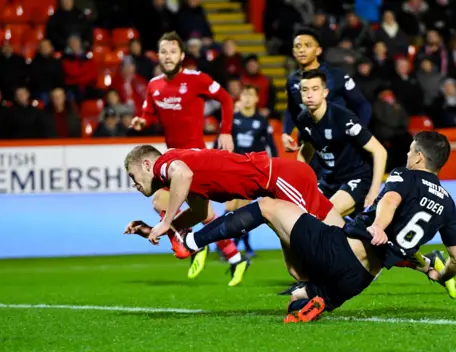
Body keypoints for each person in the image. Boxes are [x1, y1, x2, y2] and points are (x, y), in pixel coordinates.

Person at [137, 132, 456, 322]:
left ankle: (194, 242)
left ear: (419, 157)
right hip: (359, 280)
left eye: (410, 151)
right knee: (297, 285)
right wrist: (440, 274)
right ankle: (318, 297)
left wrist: (378, 224)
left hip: (316, 222)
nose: (406, 154)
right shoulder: (448, 202)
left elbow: (390, 201)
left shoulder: (404, 175)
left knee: (267, 208)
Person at [123, 145, 346, 282]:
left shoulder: (165, 165)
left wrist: (168, 220)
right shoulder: (177, 171)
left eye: (133, 177)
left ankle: (360, 265)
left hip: (281, 179)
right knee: (298, 270)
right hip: (277, 184)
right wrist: (155, 229)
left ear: (146, 164)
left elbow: (183, 173)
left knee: (323, 247)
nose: (135, 184)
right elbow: (199, 213)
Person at [129, 31, 246, 286]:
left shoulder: (197, 79)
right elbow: (148, 114)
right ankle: (231, 256)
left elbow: (226, 98)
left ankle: (198, 245)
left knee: (169, 203)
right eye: (163, 52)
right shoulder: (154, 85)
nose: (167, 56)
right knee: (199, 211)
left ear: (182, 55)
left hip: (194, 160)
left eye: (172, 51)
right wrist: (141, 121)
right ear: (157, 56)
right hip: (170, 160)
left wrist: (225, 130)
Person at [296, 70, 388, 217]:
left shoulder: (343, 118)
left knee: (325, 215)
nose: (309, 94)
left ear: (324, 92)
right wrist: (299, 179)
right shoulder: (302, 120)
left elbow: (380, 151)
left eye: (315, 89)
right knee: (300, 216)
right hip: (328, 180)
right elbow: (307, 147)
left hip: (355, 178)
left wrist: (374, 190)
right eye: (305, 90)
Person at [282, 27, 372, 153]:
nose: (301, 50)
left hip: (338, 143)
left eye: (307, 45)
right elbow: (292, 109)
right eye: (297, 46)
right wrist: (286, 132)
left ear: (318, 50)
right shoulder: (292, 80)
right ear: (293, 51)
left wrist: (358, 133)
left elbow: (363, 105)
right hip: (310, 144)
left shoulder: (336, 75)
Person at [216, 85, 278, 256]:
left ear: (257, 99)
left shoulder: (262, 121)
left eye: (251, 94)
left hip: (252, 170)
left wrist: (275, 166)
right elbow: (218, 143)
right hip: (232, 169)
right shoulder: (231, 119)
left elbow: (271, 145)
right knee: (231, 208)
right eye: (245, 94)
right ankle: (236, 245)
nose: (248, 98)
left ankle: (230, 246)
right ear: (240, 98)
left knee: (240, 207)